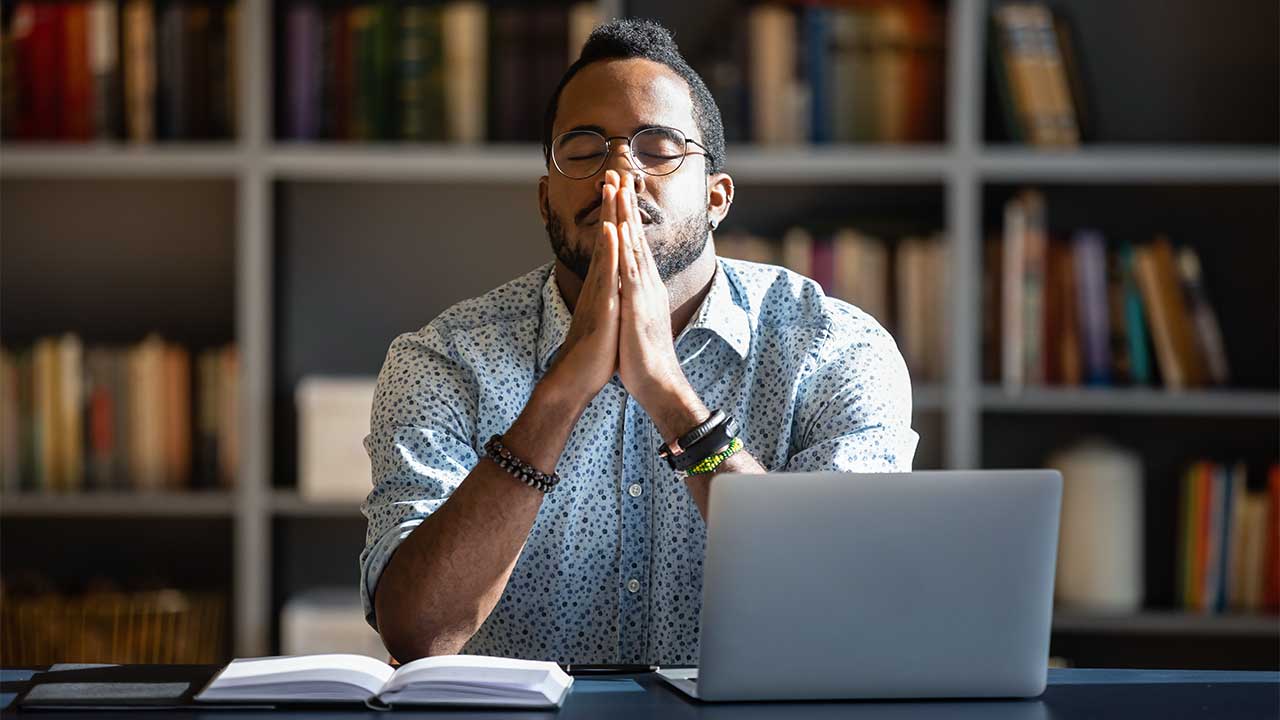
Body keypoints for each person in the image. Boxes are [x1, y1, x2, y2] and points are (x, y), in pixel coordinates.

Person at [360, 18, 918, 666]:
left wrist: (669, 392)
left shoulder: (834, 349)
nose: (618, 169)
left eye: (658, 146)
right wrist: (561, 392)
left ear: (717, 196)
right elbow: (418, 635)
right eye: (584, 146)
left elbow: (847, 604)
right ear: (546, 198)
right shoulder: (442, 361)